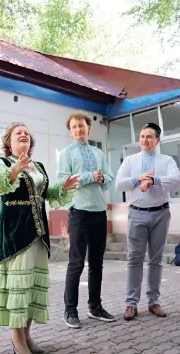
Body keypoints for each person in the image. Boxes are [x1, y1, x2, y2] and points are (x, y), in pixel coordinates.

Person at [0, 122, 79, 354]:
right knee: (19, 286)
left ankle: (27, 336)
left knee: (31, 286)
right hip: (16, 232)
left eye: (27, 133)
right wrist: (15, 169)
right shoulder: (3, 163)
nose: (24, 135)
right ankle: (17, 341)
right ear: (8, 142)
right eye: (18, 133)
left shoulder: (37, 167)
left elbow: (47, 193)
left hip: (39, 233)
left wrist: (63, 188)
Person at [115, 123, 180, 321]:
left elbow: (177, 179)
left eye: (149, 137)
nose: (144, 140)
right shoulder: (130, 160)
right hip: (137, 214)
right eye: (142, 136)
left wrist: (155, 180)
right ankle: (131, 304)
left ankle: (153, 302)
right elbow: (119, 183)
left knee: (156, 259)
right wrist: (137, 179)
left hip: (161, 214)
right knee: (134, 258)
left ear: (157, 140)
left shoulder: (166, 160)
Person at [58, 112, 115, 329]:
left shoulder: (98, 152)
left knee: (97, 264)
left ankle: (95, 307)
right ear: (70, 131)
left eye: (82, 126)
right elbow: (65, 182)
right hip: (79, 214)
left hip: (99, 213)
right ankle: (70, 310)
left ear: (88, 129)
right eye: (74, 127)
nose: (79, 130)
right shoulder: (66, 153)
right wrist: (91, 176)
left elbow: (109, 177)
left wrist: (102, 178)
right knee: (76, 263)